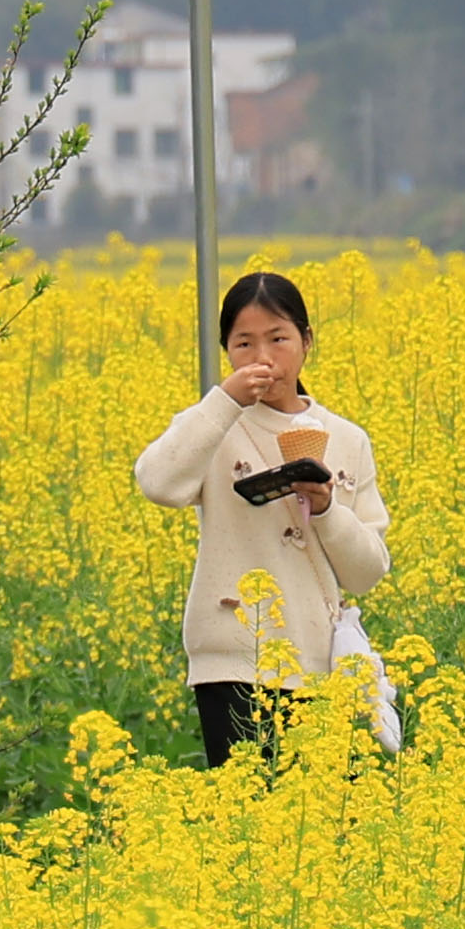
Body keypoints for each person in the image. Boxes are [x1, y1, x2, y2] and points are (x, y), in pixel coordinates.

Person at [129, 271, 394, 766]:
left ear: (307, 341)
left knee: (317, 810)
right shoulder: (214, 426)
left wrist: (326, 508)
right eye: (244, 344)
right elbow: (158, 484)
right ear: (227, 352)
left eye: (278, 339)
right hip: (231, 660)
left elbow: (366, 573)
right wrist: (225, 400)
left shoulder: (346, 439)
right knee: (246, 805)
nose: (263, 357)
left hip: (317, 664)